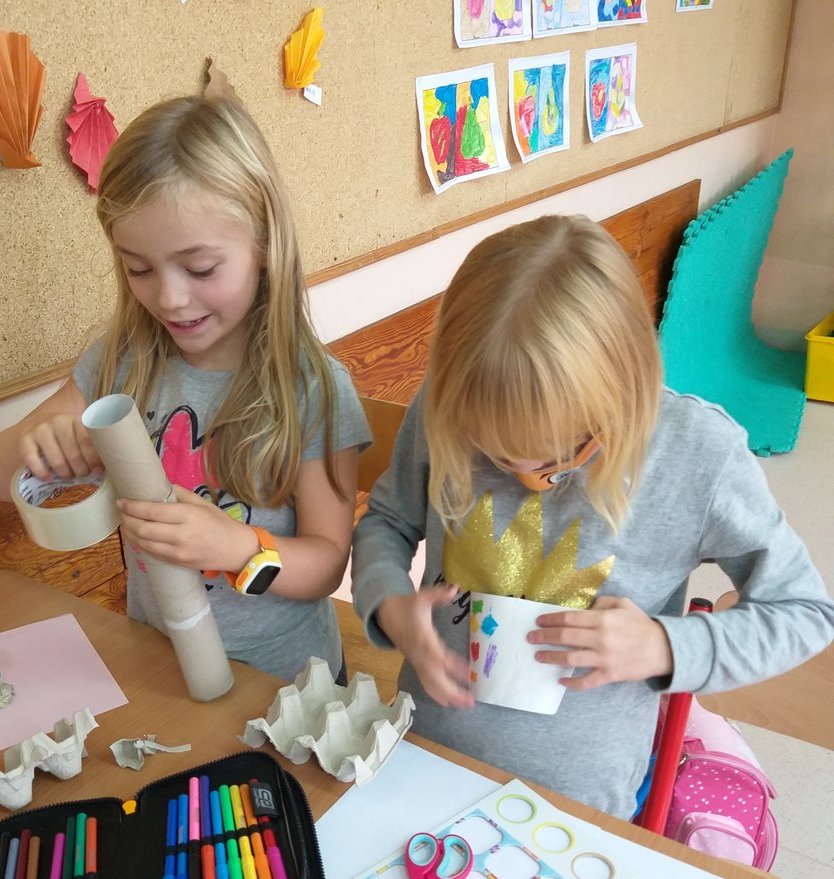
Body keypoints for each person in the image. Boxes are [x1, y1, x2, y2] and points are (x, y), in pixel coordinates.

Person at [352, 216, 834, 817]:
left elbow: (806, 613)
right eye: (489, 451)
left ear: (623, 394)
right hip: (421, 759)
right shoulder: (447, 401)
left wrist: (664, 646)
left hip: (580, 806)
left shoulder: (697, 453)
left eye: (557, 456)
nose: (521, 472)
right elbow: (387, 520)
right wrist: (389, 604)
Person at [0, 94, 370, 683]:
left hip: (286, 685)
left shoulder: (312, 390)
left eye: (201, 268)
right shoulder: (121, 362)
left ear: (264, 245)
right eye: (139, 268)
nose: (169, 298)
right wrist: (38, 443)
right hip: (162, 667)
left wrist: (235, 548)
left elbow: (326, 565)